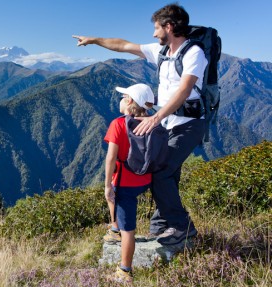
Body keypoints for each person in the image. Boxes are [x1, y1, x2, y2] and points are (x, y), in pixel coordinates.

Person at [73, 2, 205, 247]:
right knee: (165, 172)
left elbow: (185, 89)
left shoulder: (194, 53)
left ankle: (182, 227)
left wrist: (155, 117)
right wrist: (94, 40)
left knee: (161, 171)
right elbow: (123, 45)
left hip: (188, 124)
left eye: (157, 28)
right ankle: (161, 226)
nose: (154, 34)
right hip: (167, 124)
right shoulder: (162, 52)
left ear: (169, 26)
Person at [103, 83, 155, 283]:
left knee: (129, 230)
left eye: (124, 96)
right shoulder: (151, 122)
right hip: (146, 179)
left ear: (130, 101)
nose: (121, 99)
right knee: (115, 197)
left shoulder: (118, 124)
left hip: (124, 183)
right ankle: (115, 228)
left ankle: (125, 271)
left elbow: (110, 158)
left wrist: (107, 185)